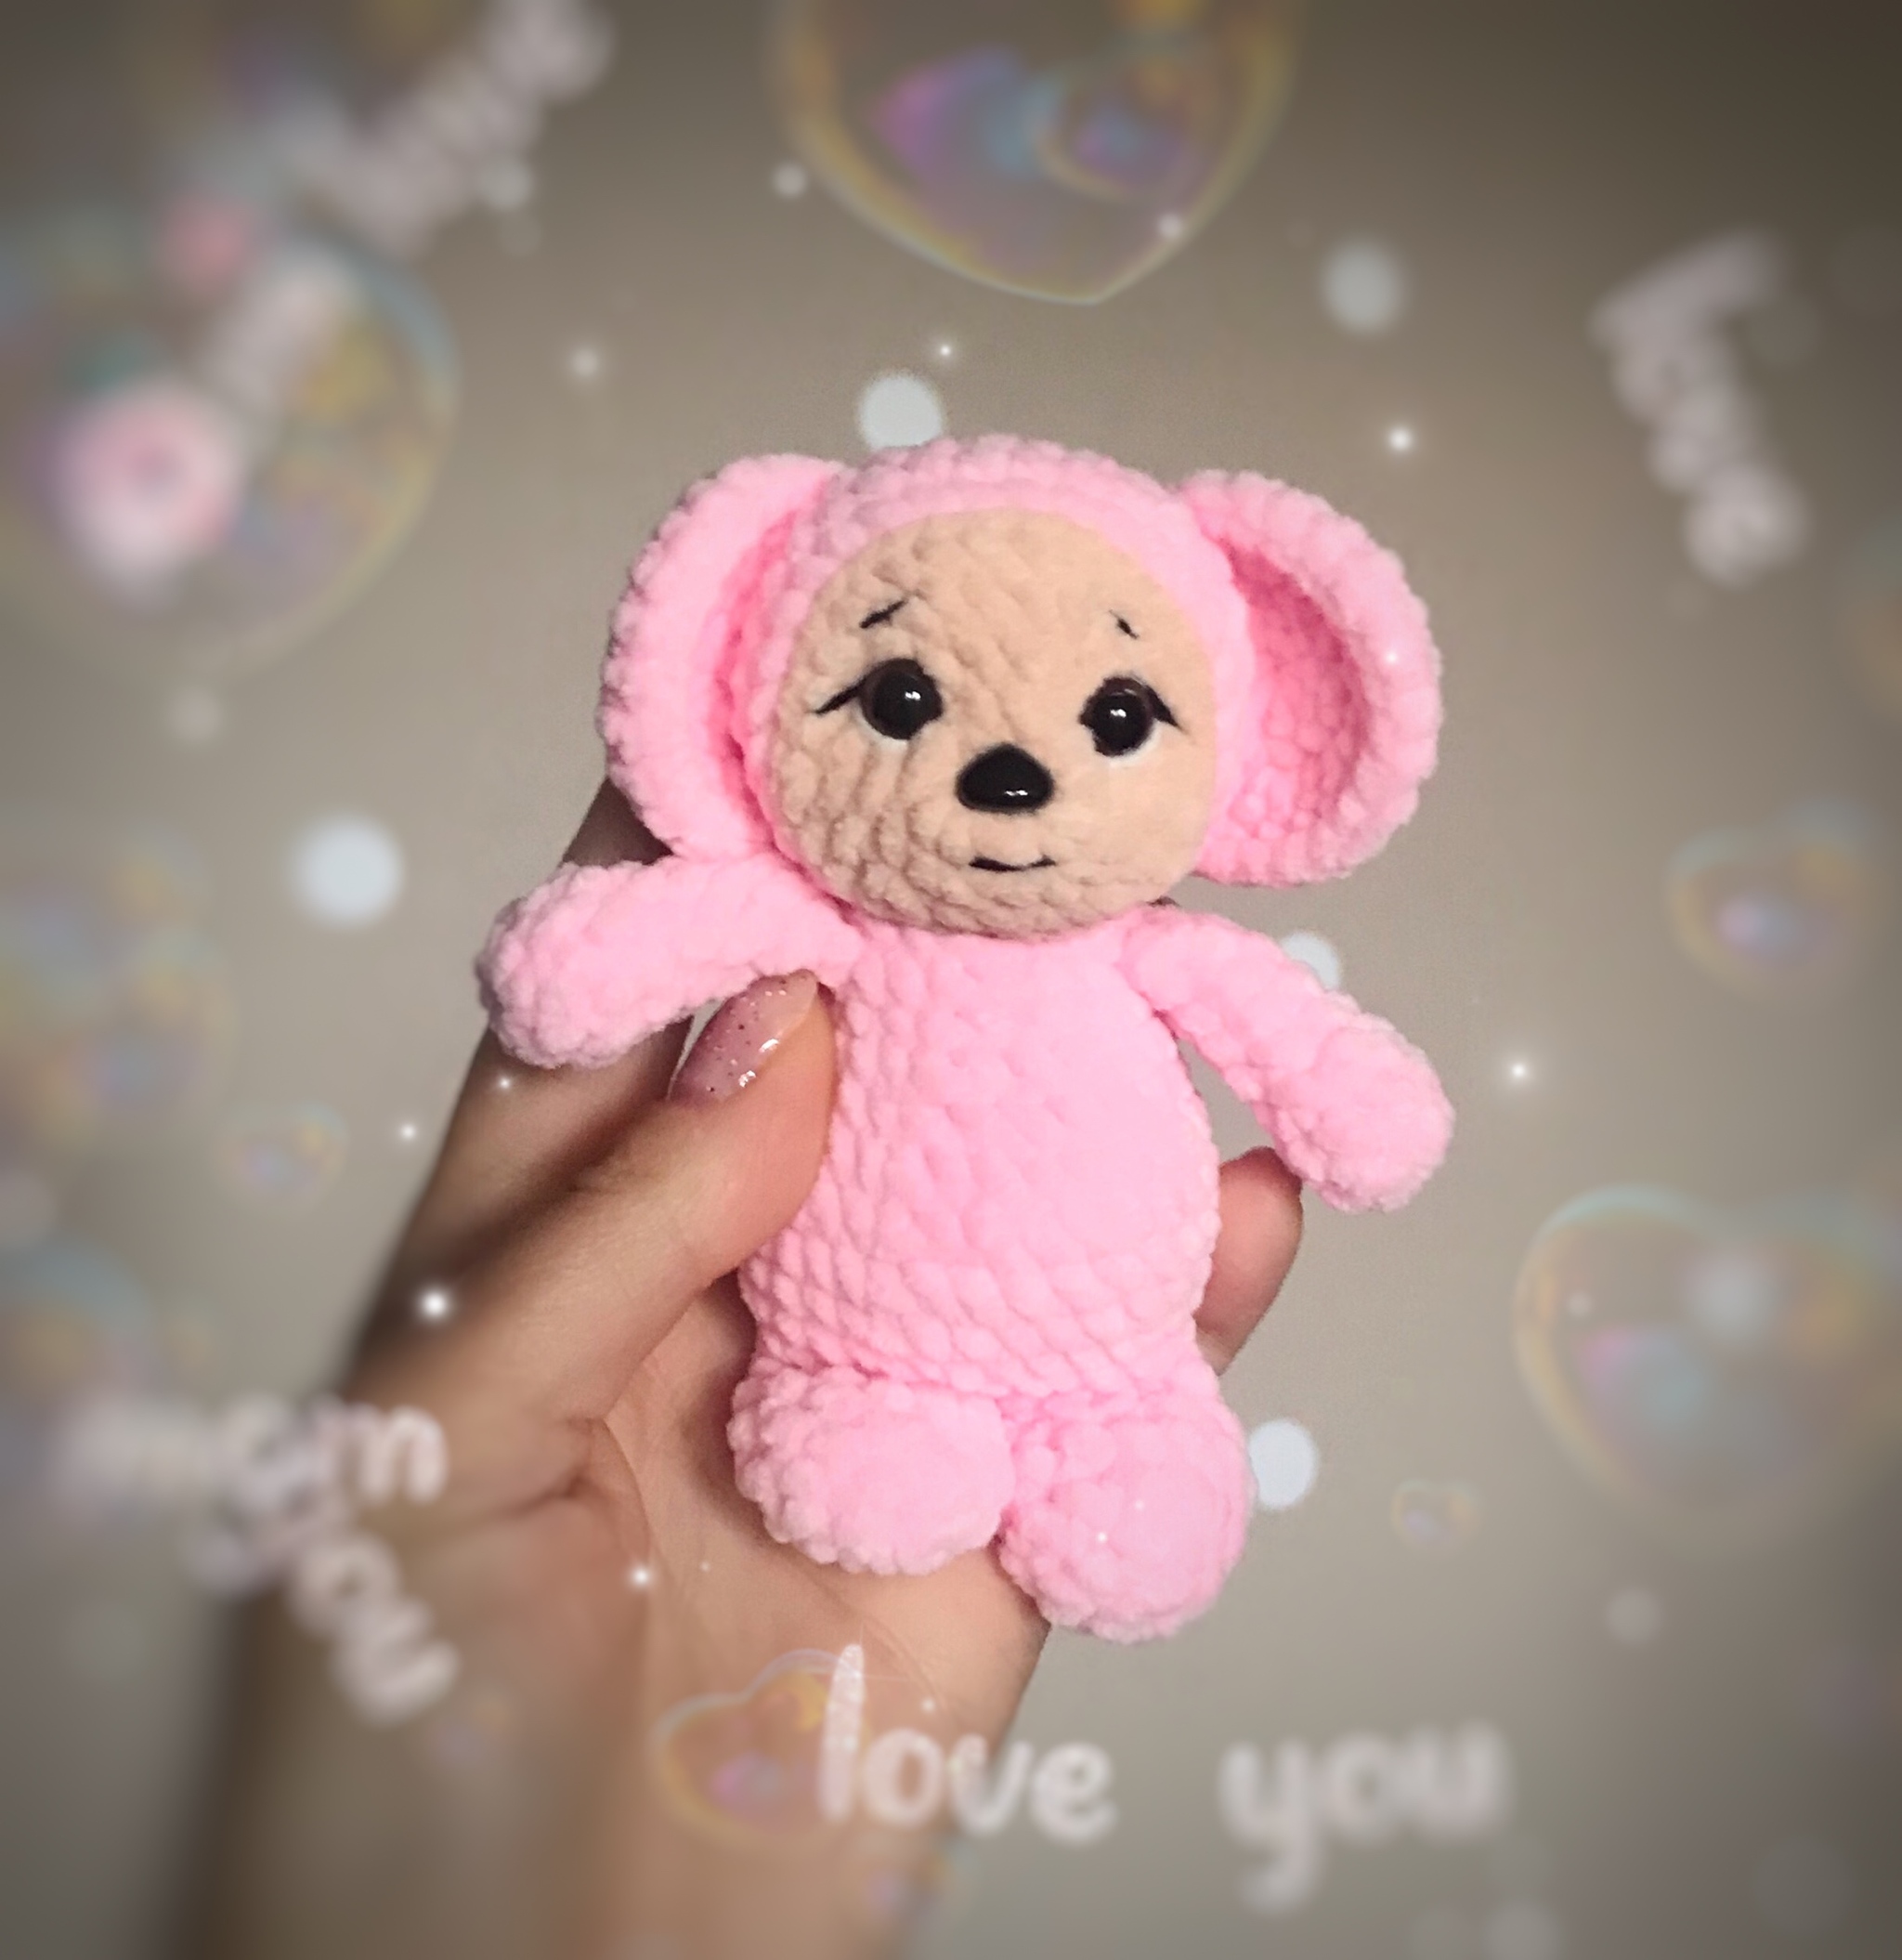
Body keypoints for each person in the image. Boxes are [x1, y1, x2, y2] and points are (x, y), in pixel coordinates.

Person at [186, 785, 1304, 1960]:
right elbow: (632, 949)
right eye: (903, 702)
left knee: (1127, 1474)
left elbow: (1307, 1051)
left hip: (1113, 1360)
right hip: (856, 1348)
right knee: (863, 1460)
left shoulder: (1147, 950)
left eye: (1115, 720)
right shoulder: (830, 925)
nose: (1009, 774)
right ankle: (880, 1416)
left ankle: (1120, 1433)